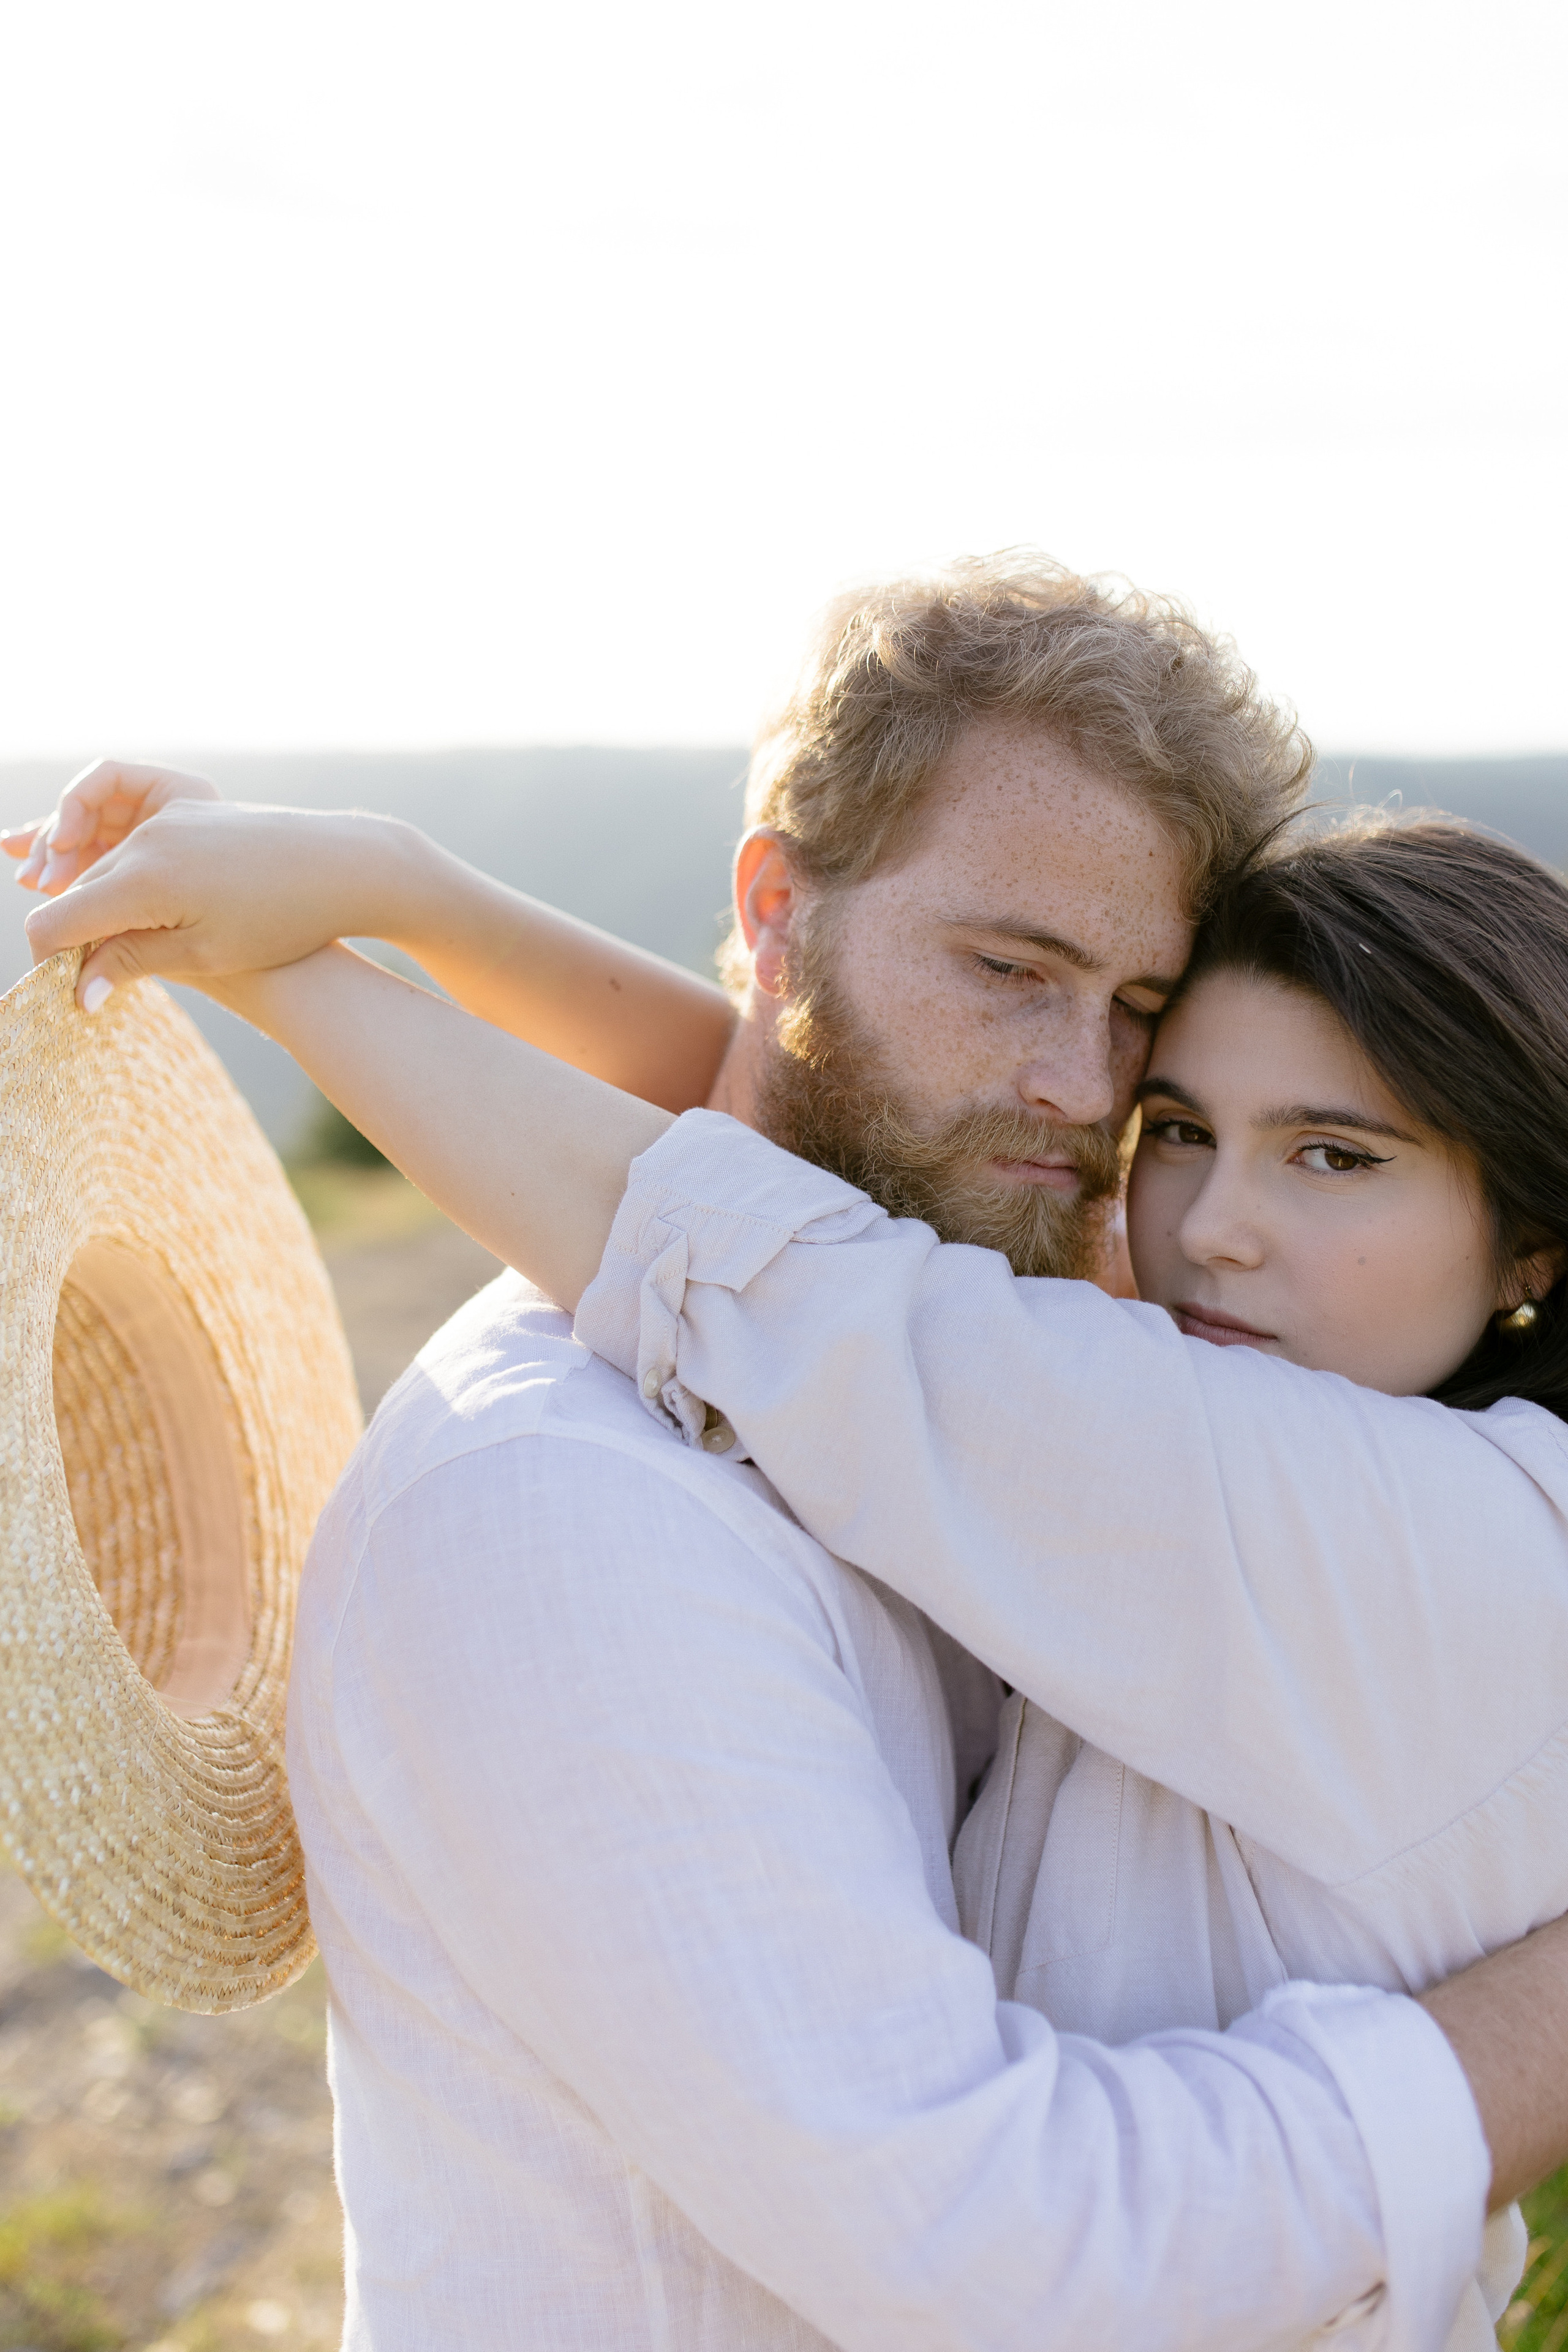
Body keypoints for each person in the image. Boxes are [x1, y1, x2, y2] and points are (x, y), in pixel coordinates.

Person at [18, 556, 1568, 2352]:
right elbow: (780, 1203)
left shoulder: (1337, 1480)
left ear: (1530, 1244)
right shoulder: (570, 1510)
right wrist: (392, 900)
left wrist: (335, 943)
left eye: (1136, 1011)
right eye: (1013, 972)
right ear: (772, 909)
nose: (1084, 1096)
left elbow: (791, 1250)